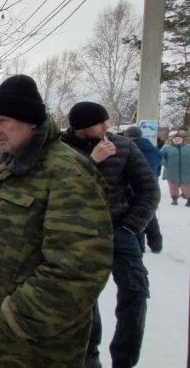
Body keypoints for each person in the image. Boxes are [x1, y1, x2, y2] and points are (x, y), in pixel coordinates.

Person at [0, 75, 113, 367]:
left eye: (2, 121)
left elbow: (79, 268)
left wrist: (19, 316)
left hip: (29, 347)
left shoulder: (67, 173)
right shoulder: (13, 165)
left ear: (31, 122)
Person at [61, 102, 159, 368]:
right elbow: (60, 190)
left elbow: (149, 190)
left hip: (120, 230)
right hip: (79, 233)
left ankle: (124, 360)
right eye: (101, 123)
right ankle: (90, 354)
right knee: (84, 296)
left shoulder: (124, 146)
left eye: (107, 122)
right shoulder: (61, 150)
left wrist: (131, 226)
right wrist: (91, 161)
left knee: (136, 293)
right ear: (81, 128)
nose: (108, 127)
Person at [124, 126, 163, 253]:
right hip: (151, 185)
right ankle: (156, 244)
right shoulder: (155, 149)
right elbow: (158, 168)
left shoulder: (128, 148)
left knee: (135, 216)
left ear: (128, 136)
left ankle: (139, 247)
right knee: (150, 216)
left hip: (133, 185)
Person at [161, 130, 190, 206]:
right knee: (173, 186)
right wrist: (166, 163)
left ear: (182, 139)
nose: (177, 140)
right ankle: (174, 199)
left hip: (186, 171)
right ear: (172, 139)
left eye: (179, 138)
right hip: (171, 171)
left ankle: (189, 200)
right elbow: (160, 156)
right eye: (175, 138)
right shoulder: (166, 148)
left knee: (187, 186)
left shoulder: (188, 147)